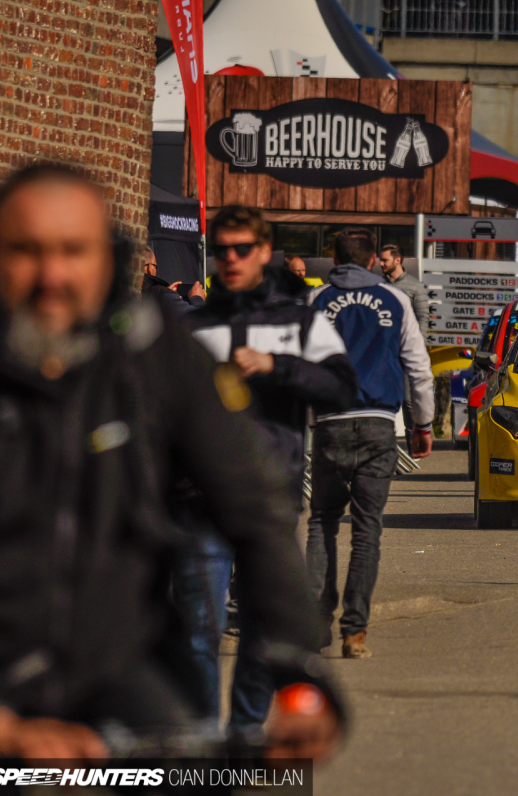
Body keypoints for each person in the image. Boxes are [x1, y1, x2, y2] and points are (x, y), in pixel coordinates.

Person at [0, 163, 341, 761]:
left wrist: (299, 674)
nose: (52, 276)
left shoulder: (154, 353)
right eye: (26, 251)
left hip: (121, 663)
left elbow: (253, 508)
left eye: (74, 252)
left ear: (109, 259)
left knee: (202, 770)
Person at [181, 206, 357, 738]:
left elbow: (341, 388)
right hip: (200, 503)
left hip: (269, 500)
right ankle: (202, 741)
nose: (231, 259)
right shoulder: (191, 326)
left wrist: (276, 366)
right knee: (197, 631)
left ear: (263, 252)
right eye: (222, 250)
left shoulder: (300, 322)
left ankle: (245, 735)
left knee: (263, 634)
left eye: (242, 249)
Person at [306, 228, 436, 659]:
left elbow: (298, 362)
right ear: (371, 261)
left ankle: (316, 622)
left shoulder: (316, 301)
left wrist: (306, 419)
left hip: (330, 423)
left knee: (322, 520)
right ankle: (355, 632)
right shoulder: (394, 300)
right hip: (379, 423)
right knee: (366, 529)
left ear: (334, 260)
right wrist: (423, 424)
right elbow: (418, 367)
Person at [378, 244, 429, 336]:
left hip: (405, 340)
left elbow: (422, 317)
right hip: (383, 341)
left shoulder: (415, 286)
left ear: (397, 260)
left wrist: (420, 341)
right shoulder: (379, 284)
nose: (381, 264)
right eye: (381, 260)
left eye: (385, 260)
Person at [140, 245, 205, 315]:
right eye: (156, 267)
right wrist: (197, 298)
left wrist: (167, 294)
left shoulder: (133, 291)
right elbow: (196, 318)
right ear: (150, 268)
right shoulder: (162, 294)